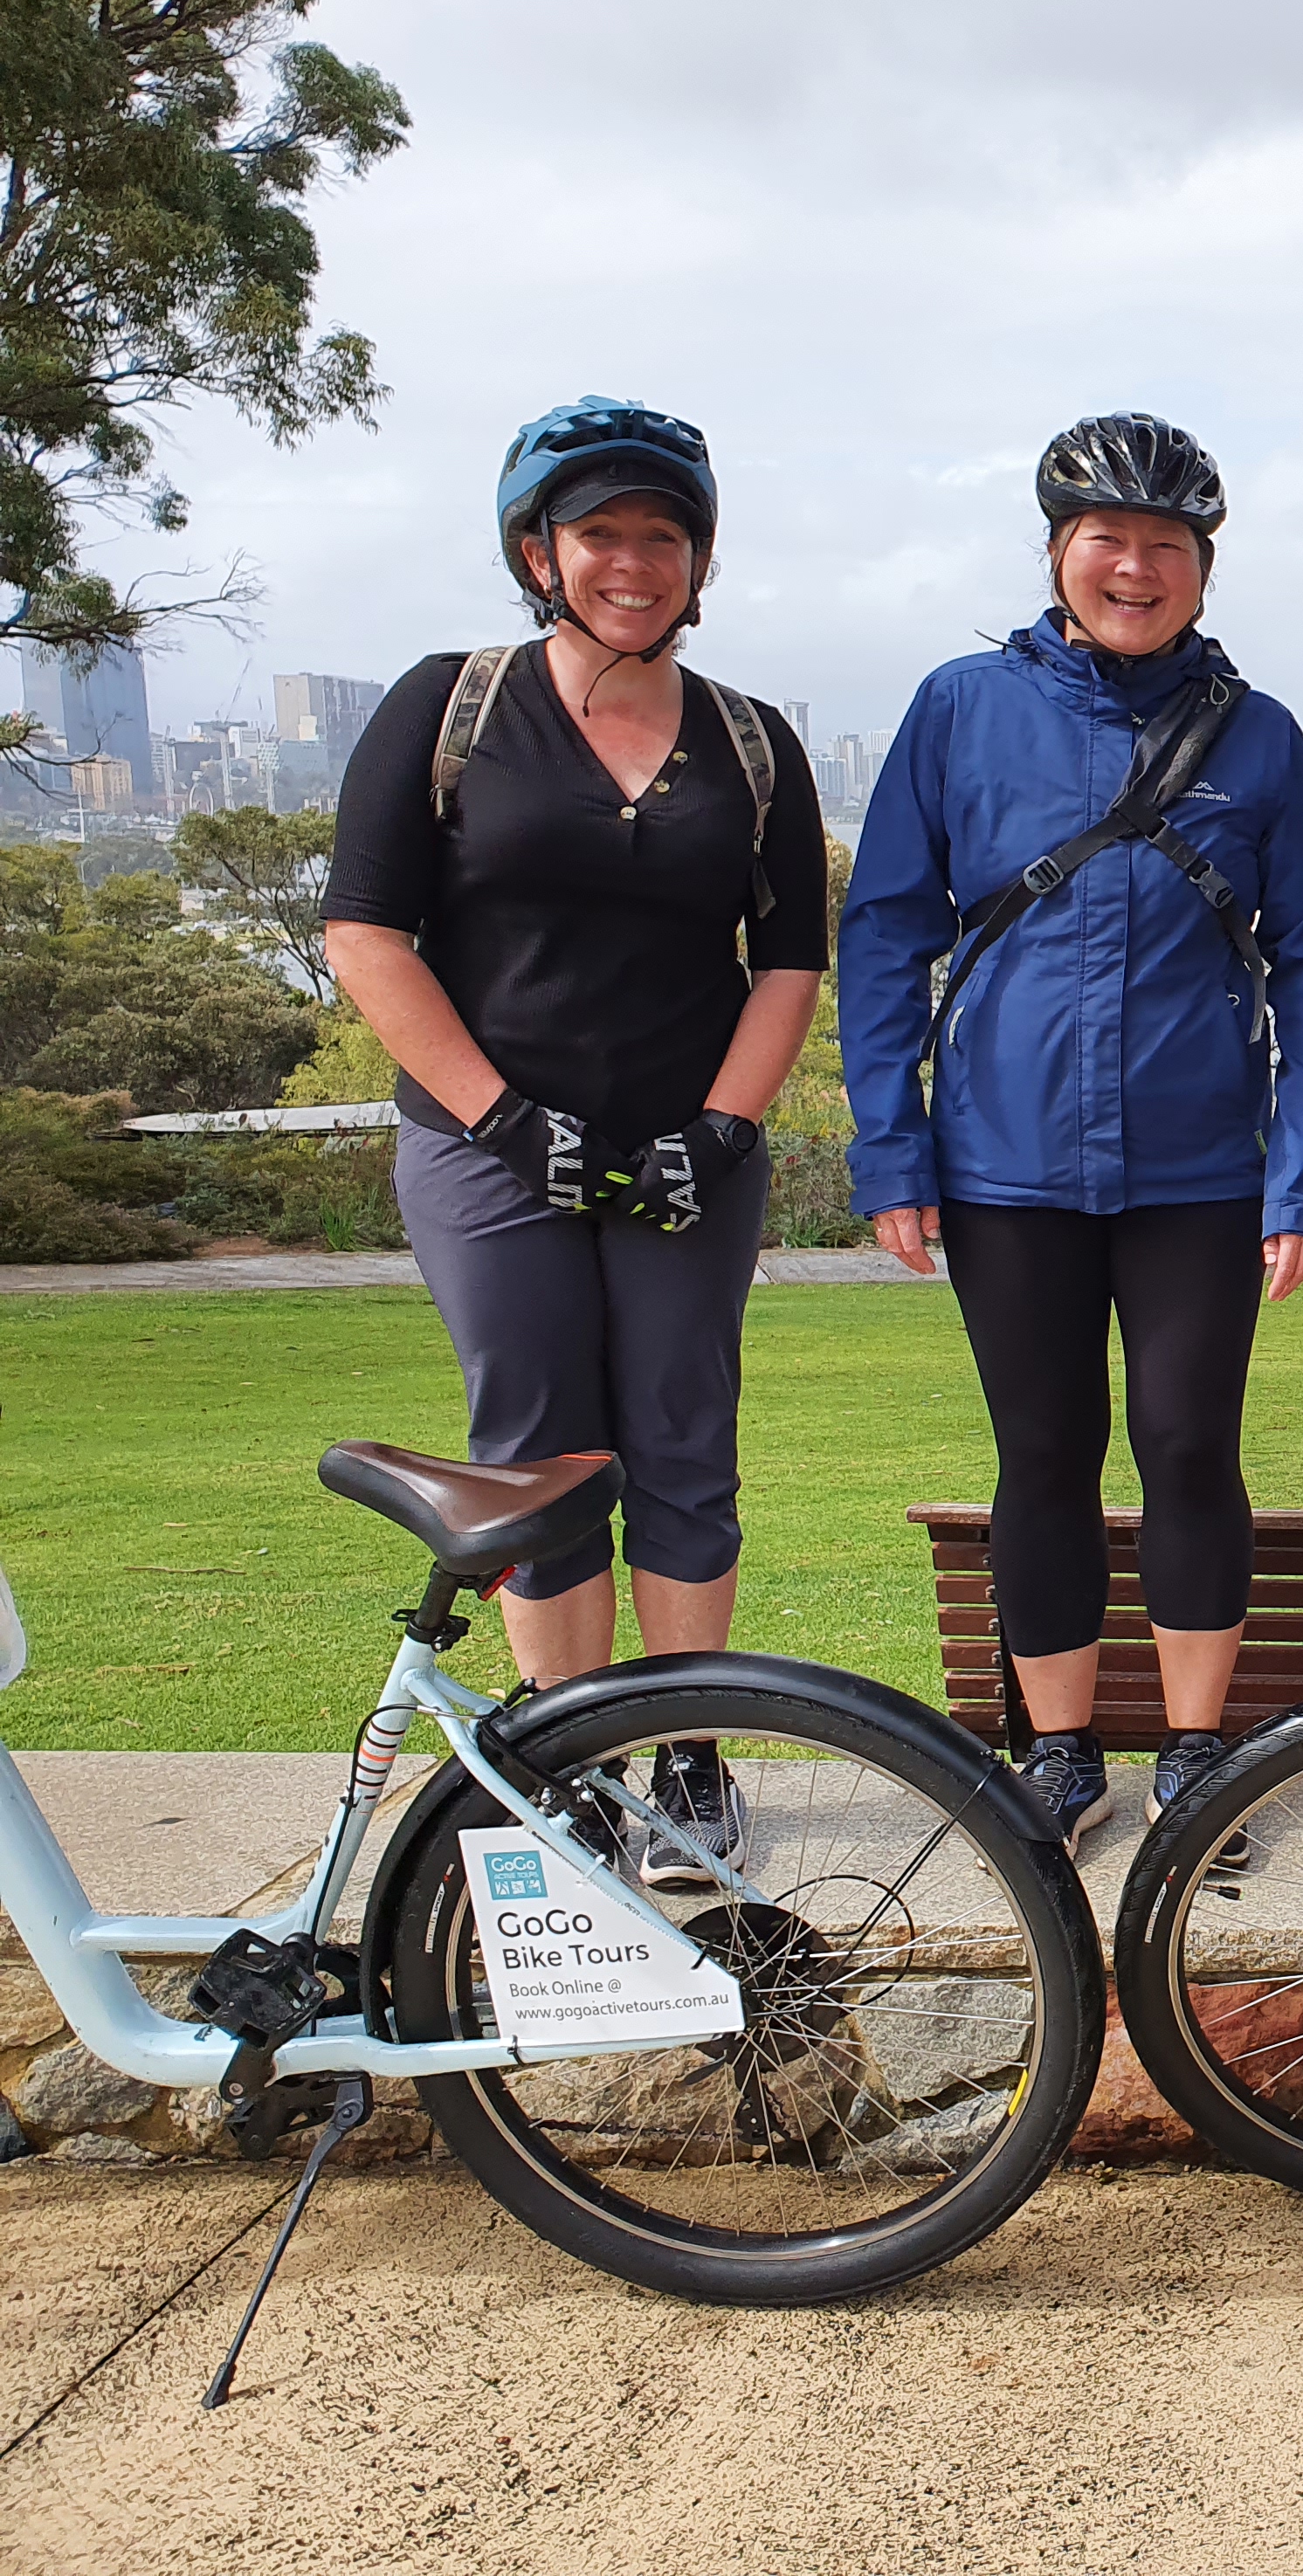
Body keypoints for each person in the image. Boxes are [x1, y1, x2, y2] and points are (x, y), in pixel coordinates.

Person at [839, 415, 1303, 1845]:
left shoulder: (1258, 738)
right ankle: (1059, 1751)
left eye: (1167, 545)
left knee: (1191, 1444)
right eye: (1108, 539)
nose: (1135, 567)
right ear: (1059, 547)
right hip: (1004, 1163)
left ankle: (1198, 1749)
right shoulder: (959, 708)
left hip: (1201, 1168)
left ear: (1201, 566)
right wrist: (891, 1146)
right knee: (1044, 1453)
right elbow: (884, 933)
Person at [323, 396, 828, 1884]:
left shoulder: (752, 739)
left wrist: (725, 1128)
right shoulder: (449, 703)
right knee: (538, 1447)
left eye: (661, 535)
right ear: (537, 548)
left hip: (686, 1145)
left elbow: (788, 958)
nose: (632, 561)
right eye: (600, 531)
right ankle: (571, 1752)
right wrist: (501, 1116)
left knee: (684, 1433)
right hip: (489, 1148)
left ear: (700, 556)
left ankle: (685, 1750)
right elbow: (366, 934)